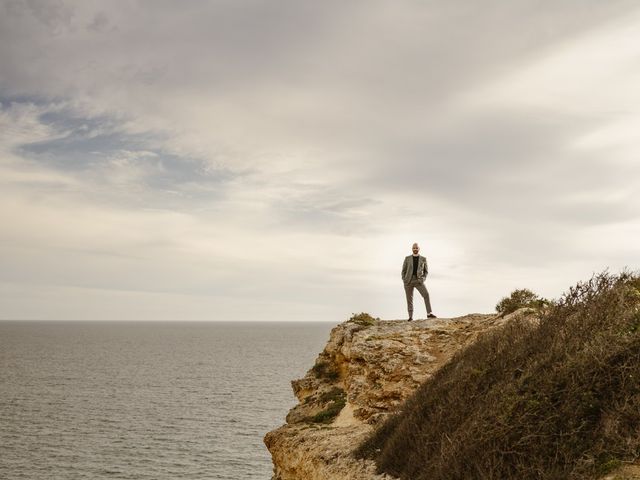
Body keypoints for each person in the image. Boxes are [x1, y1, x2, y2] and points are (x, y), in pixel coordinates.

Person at [401, 243, 436, 321]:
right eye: (414, 248)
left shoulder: (423, 259)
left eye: (416, 248)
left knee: (426, 294)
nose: (415, 249)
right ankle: (410, 317)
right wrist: (404, 279)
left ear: (419, 249)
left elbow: (426, 271)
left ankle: (429, 313)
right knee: (409, 299)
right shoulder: (407, 258)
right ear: (412, 249)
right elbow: (403, 270)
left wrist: (423, 279)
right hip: (408, 281)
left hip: (419, 281)